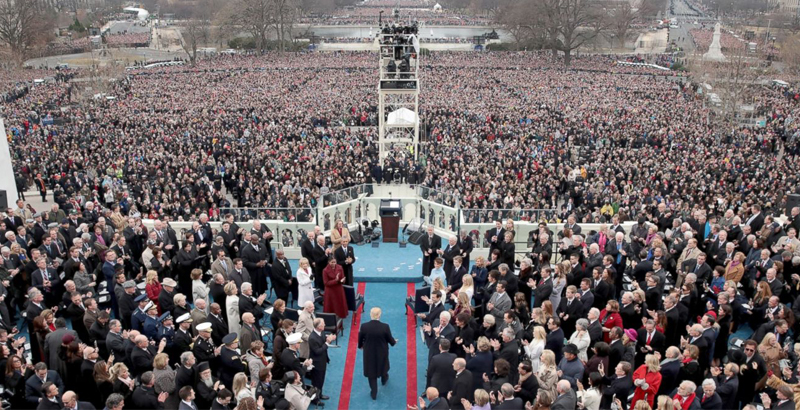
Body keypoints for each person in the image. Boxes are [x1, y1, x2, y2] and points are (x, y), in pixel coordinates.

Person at [359, 307, 397, 400]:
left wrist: (360, 346)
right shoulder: (385, 326)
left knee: (371, 371)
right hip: (382, 351)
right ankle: (384, 379)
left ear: (370, 315)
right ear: (379, 315)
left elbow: (360, 339)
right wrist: (394, 342)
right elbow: (390, 340)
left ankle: (374, 393)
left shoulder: (364, 326)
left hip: (369, 352)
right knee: (383, 365)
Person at [309, 317, 336, 401]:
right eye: (323, 324)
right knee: (317, 382)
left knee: (321, 380)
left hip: (322, 361)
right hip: (317, 363)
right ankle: (315, 399)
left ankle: (319, 394)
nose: (325, 324)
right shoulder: (312, 338)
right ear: (318, 327)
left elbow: (323, 339)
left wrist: (329, 338)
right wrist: (327, 342)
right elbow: (317, 351)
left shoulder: (321, 332)